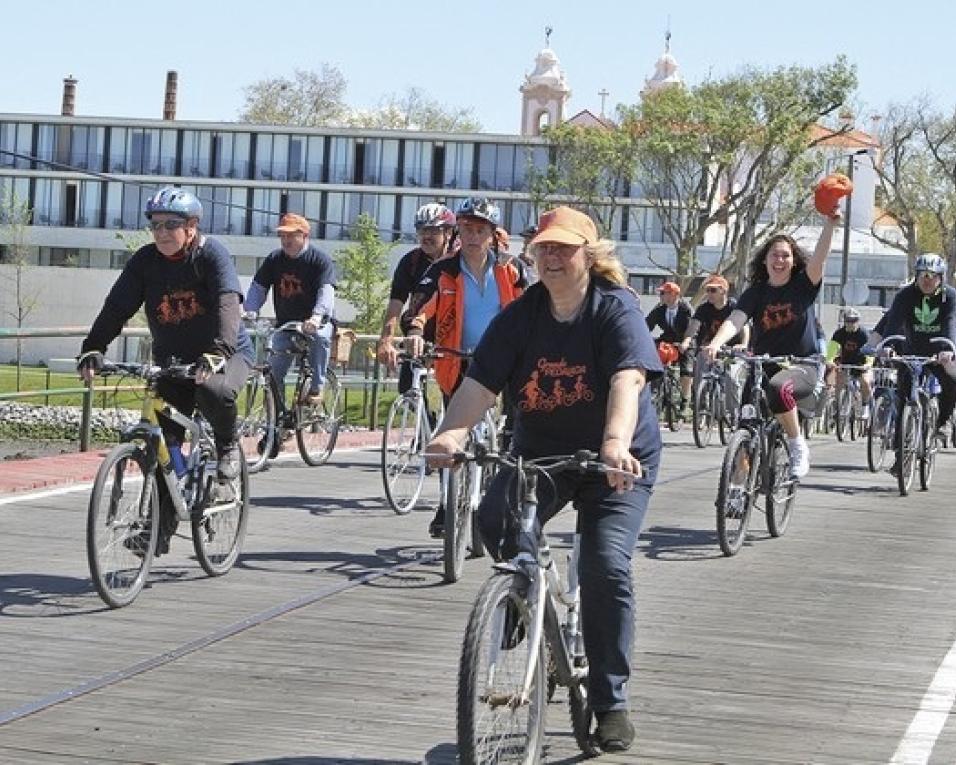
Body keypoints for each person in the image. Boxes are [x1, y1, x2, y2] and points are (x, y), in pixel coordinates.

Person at [425, 206, 661, 752]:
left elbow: (629, 377)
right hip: (542, 456)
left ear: (589, 255)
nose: (552, 257)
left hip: (614, 460)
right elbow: (481, 384)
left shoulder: (613, 308)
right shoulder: (523, 314)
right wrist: (451, 434)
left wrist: (614, 444)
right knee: (492, 518)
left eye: (565, 248)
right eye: (544, 248)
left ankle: (609, 700)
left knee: (605, 567)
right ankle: (521, 597)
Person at [77, 186, 254, 555]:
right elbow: (116, 308)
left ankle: (226, 449)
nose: (160, 232)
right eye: (155, 224)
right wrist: (92, 348)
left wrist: (217, 352)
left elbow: (227, 306)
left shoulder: (211, 255)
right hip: (173, 363)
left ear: (191, 226)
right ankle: (158, 528)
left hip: (226, 352)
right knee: (162, 444)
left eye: (170, 224)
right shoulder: (145, 262)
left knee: (214, 392)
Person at [404, 197, 526, 537]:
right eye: (467, 229)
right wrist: (415, 331)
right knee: (450, 435)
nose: (472, 236)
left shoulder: (512, 269)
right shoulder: (443, 269)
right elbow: (420, 307)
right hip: (455, 359)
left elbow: (534, 307)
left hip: (506, 360)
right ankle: (447, 503)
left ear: (492, 234)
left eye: (480, 229)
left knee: (516, 433)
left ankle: (508, 502)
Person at [701, 211, 841, 478]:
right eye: (774, 255)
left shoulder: (804, 285)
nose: (780, 260)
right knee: (745, 423)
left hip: (802, 365)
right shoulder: (756, 292)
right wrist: (716, 343)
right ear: (764, 260)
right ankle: (737, 489)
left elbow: (820, 258)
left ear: (794, 260)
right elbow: (736, 319)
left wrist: (830, 225)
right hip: (763, 365)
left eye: (785, 255)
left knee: (778, 388)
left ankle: (797, 445)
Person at [244, 212, 336, 416]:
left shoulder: (320, 260)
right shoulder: (274, 259)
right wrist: (250, 310)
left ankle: (316, 387)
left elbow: (326, 291)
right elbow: (259, 287)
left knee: (320, 338)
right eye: (282, 236)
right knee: (273, 370)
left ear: (304, 236)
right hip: (286, 324)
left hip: (315, 322)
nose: (285, 241)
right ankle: (278, 419)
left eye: (291, 236)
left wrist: (317, 316)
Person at [868, 252, 956, 442]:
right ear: (916, 275)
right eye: (923, 274)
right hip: (911, 352)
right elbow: (892, 323)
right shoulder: (905, 295)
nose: (927, 280)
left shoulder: (950, 296)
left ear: (941, 277)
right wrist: (888, 346)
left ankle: (942, 422)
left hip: (940, 352)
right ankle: (900, 454)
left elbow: (951, 322)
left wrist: (948, 349)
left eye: (933, 275)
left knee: (951, 384)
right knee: (903, 397)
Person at [375, 203, 457, 381]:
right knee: (408, 387)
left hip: (453, 334)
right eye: (422, 231)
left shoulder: (458, 261)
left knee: (453, 395)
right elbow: (396, 303)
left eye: (433, 231)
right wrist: (385, 340)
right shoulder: (410, 262)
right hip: (418, 333)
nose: (426, 236)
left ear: (448, 233)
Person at [680, 274, 750, 417]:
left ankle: (734, 414)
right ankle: (701, 407)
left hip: (733, 349)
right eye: (708, 290)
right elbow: (694, 326)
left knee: (731, 378)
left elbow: (745, 327)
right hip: (711, 348)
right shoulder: (704, 308)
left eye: (713, 290)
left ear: (723, 291)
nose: (709, 294)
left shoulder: (733, 306)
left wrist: (743, 344)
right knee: (700, 367)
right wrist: (686, 341)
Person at [646, 281, 694, 415]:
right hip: (667, 340)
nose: (661, 296)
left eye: (664, 293)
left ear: (674, 295)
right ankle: (657, 394)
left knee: (686, 371)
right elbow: (646, 326)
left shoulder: (686, 309)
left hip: (685, 340)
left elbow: (691, 329)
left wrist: (685, 343)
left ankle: (685, 401)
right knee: (654, 361)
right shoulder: (660, 309)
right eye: (661, 293)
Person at [828, 307, 872, 417]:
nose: (851, 323)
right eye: (848, 321)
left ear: (858, 321)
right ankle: (838, 407)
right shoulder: (839, 333)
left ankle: (865, 406)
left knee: (865, 382)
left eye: (854, 321)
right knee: (839, 383)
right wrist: (829, 360)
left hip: (861, 364)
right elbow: (832, 349)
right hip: (846, 363)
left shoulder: (864, 334)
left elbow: (870, 351)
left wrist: (868, 364)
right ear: (844, 321)